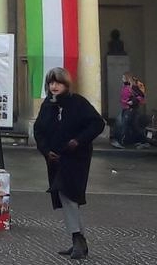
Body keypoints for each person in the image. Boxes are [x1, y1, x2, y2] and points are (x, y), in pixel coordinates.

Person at [33, 67, 106, 260]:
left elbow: (97, 123)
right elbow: (39, 131)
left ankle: (77, 240)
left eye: (58, 82)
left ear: (66, 84)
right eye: (51, 83)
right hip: (55, 159)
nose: (54, 86)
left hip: (76, 159)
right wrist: (46, 151)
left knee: (69, 196)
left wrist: (78, 141)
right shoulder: (47, 105)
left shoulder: (78, 103)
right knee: (67, 198)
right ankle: (79, 241)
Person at [113, 73, 140, 148]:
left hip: (130, 109)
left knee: (124, 124)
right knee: (132, 126)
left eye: (123, 78)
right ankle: (141, 140)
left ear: (127, 78)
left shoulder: (132, 87)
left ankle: (121, 142)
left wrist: (132, 102)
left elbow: (139, 96)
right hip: (125, 108)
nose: (122, 79)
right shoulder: (125, 86)